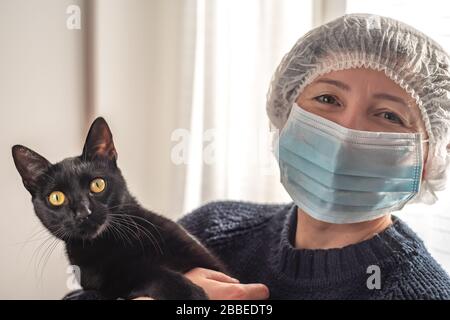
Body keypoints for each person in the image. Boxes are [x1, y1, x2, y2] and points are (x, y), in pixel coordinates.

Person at [176, 13, 450, 300]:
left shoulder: (420, 294)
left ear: (429, 158)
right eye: (328, 99)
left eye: (388, 116)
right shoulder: (212, 232)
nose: (345, 134)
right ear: (285, 112)